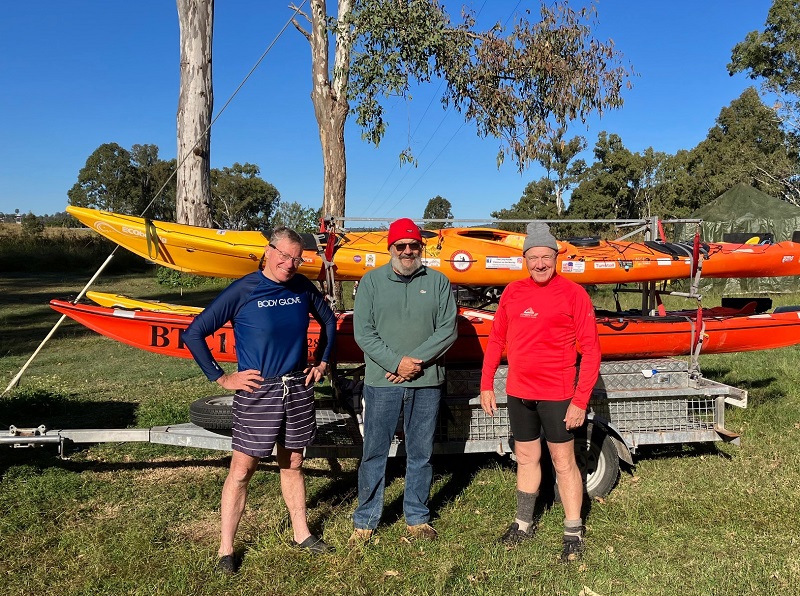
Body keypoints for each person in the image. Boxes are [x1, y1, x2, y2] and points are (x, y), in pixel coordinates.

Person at [183, 226, 337, 574]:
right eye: (284, 256)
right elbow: (194, 332)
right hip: (259, 392)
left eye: (297, 259)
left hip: (297, 387)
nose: (291, 264)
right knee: (241, 470)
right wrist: (222, 377)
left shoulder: (301, 287)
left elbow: (328, 320)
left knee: (294, 462)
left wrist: (323, 360)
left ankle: (302, 534)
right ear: (268, 252)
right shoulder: (244, 289)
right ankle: (226, 549)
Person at [480, 221, 601, 563]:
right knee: (527, 459)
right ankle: (523, 523)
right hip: (519, 393)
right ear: (525, 259)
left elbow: (591, 351)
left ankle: (573, 530)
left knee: (564, 463)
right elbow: (497, 339)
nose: (540, 264)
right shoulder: (513, 292)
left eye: (545, 256)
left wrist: (580, 401)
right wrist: (486, 382)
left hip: (558, 394)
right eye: (533, 257)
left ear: (556, 256)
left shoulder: (574, 294)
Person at [349, 217, 458, 545]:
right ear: (390, 248)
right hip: (382, 383)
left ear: (420, 247)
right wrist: (396, 362)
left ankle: (417, 517)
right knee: (374, 451)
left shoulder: (438, 282)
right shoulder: (370, 282)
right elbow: (363, 333)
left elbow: (448, 330)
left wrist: (415, 363)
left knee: (421, 452)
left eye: (413, 245)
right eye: (401, 246)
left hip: (426, 382)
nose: (408, 251)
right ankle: (365, 521)